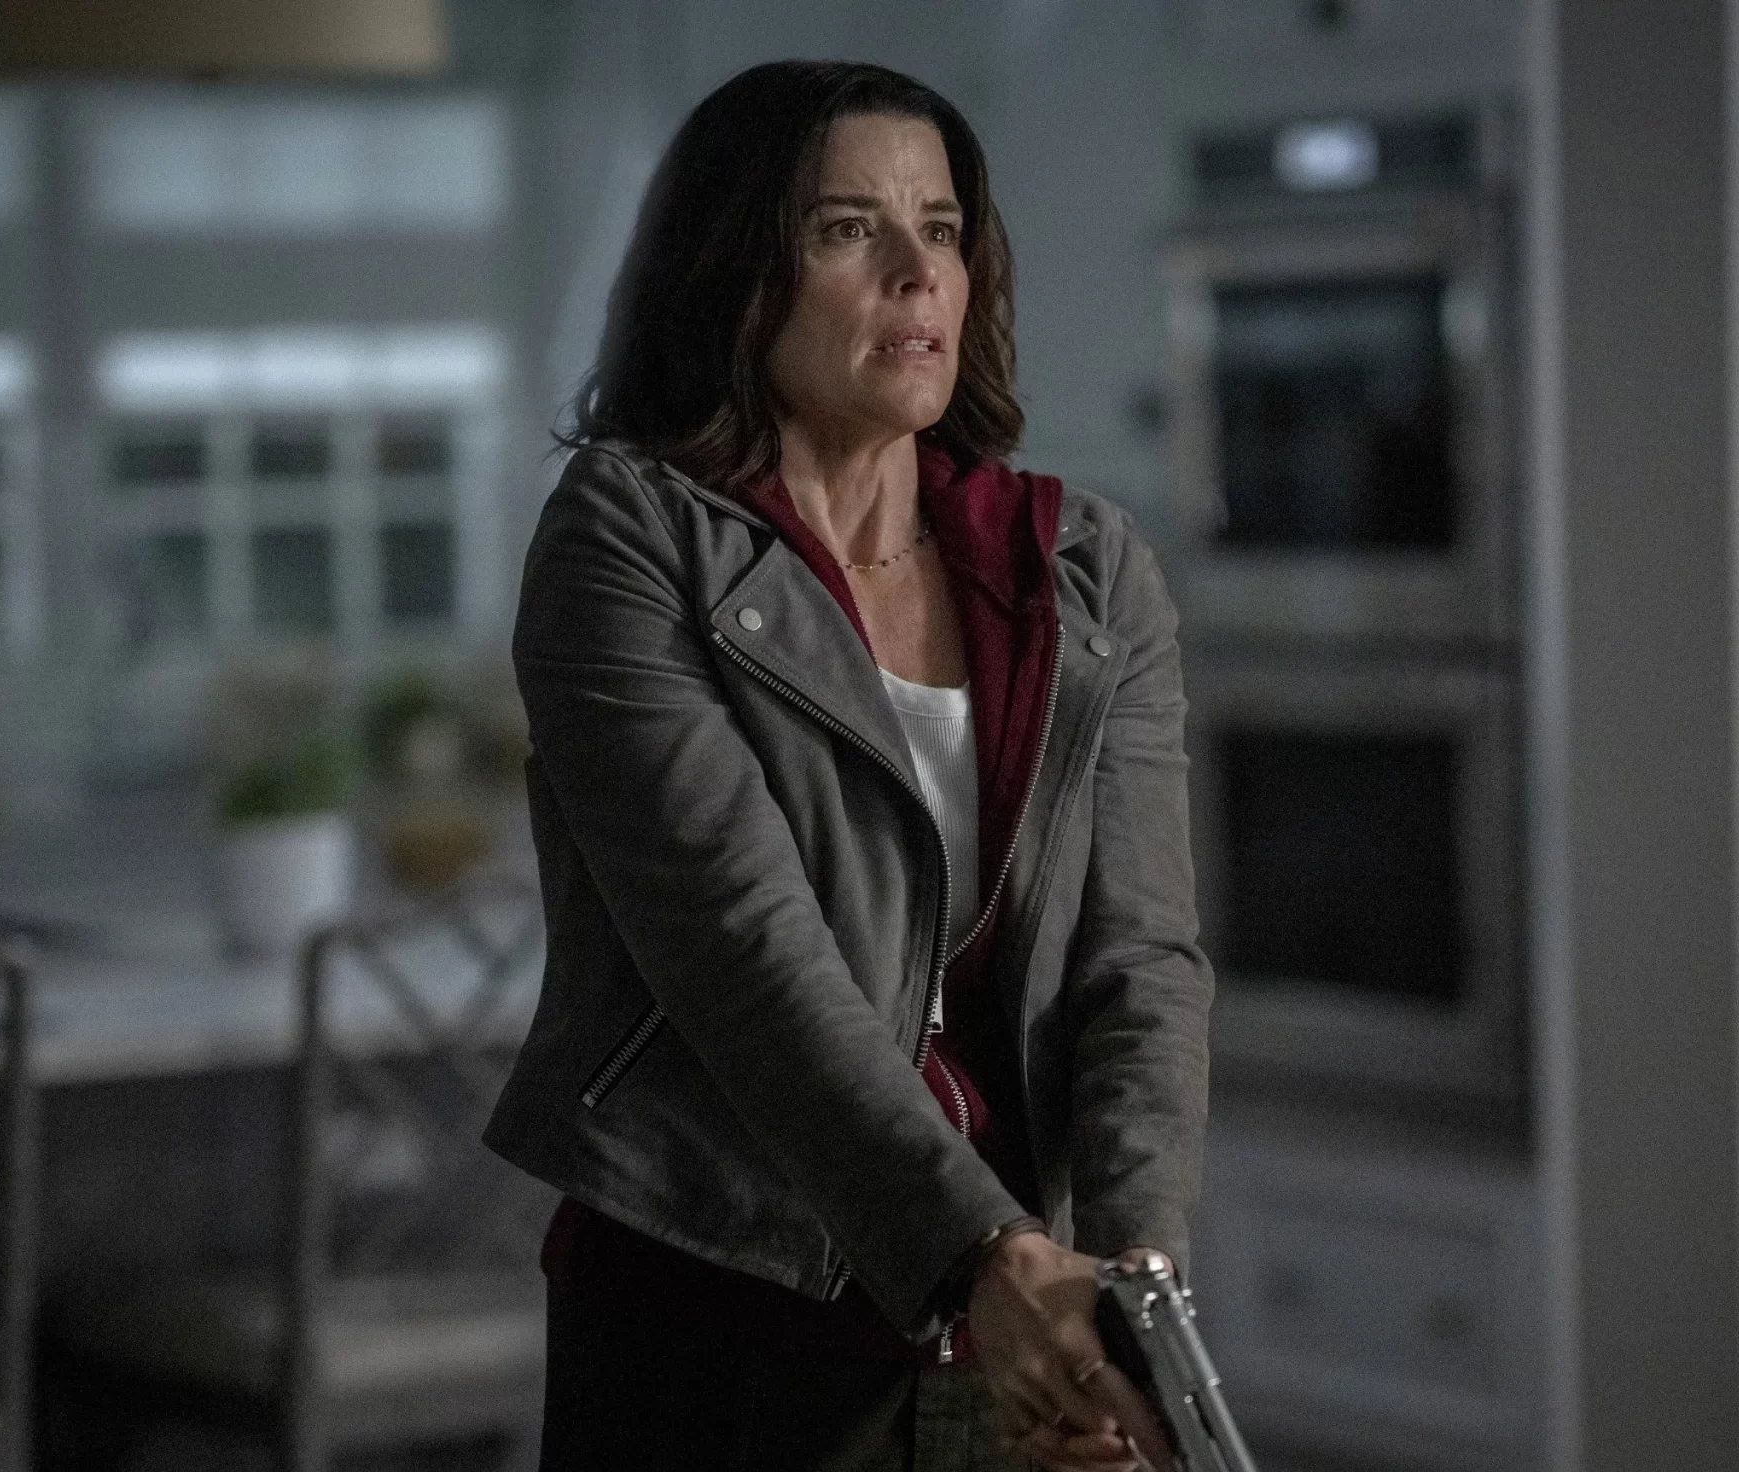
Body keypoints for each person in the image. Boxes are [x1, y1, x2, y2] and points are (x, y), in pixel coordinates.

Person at [484, 57, 1211, 1471]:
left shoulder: (1083, 570)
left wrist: (1127, 1304)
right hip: (716, 1322)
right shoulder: (627, 541)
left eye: (940, 229)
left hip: (1023, 1330)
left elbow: (1142, 965)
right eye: (845, 230)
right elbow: (744, 952)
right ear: (736, 274)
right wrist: (984, 1259)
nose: (914, 272)